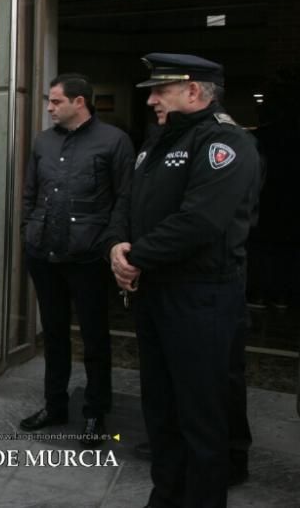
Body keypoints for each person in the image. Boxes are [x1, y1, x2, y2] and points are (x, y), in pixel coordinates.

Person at [109, 53, 260, 508]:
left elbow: (201, 221)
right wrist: (116, 244)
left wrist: (137, 256)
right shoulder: (155, 143)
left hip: (202, 298)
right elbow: (126, 201)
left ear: (193, 91)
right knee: (161, 407)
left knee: (201, 414)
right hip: (156, 292)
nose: (152, 99)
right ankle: (166, 495)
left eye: (160, 91)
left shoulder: (226, 144)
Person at [19, 74, 134, 447]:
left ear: (80, 102)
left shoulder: (114, 141)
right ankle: (55, 405)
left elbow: (124, 200)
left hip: (87, 257)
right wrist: (27, 230)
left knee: (94, 336)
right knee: (53, 334)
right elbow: (30, 192)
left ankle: (95, 413)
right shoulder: (43, 141)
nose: (49, 108)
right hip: (44, 252)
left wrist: (111, 242)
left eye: (55, 101)